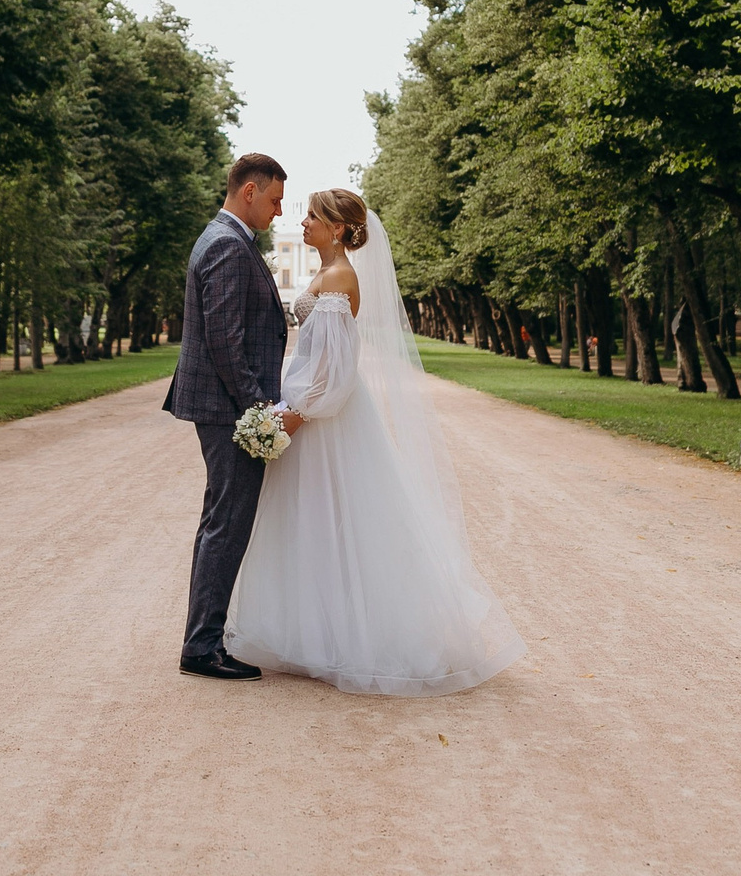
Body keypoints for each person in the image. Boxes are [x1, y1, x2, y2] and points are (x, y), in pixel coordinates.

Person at [224, 187, 526, 696]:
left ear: (338, 228)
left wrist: (295, 416)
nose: (303, 222)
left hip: (322, 421)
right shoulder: (326, 272)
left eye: (313, 216)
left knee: (332, 521)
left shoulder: (340, 277)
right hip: (306, 411)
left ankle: (345, 639)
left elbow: (337, 369)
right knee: (309, 523)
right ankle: (313, 634)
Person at [164, 153, 292, 680]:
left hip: (225, 405)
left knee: (221, 520)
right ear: (250, 192)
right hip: (228, 409)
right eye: (275, 200)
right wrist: (257, 411)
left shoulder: (229, 239)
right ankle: (201, 648)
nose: (279, 211)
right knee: (227, 523)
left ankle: (204, 639)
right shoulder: (226, 244)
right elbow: (224, 338)